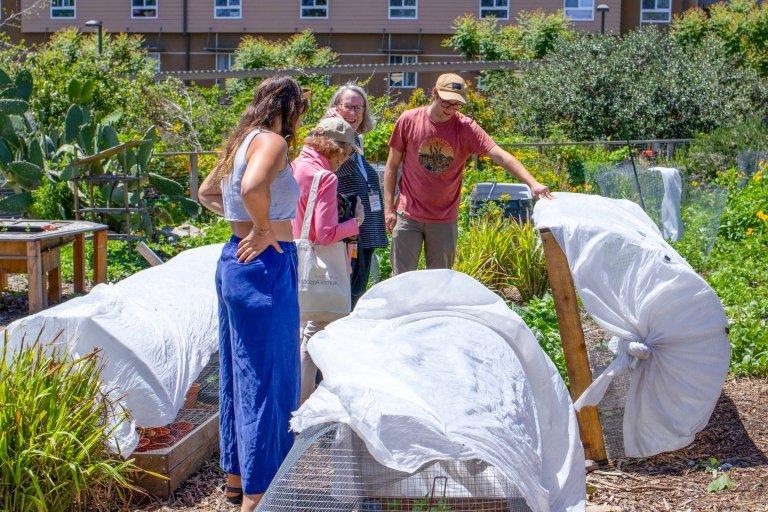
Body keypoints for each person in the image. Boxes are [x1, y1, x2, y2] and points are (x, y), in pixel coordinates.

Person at [198, 75, 309, 512]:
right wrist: (262, 229)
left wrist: (240, 225)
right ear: (291, 106)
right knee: (269, 378)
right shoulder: (273, 142)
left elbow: (208, 192)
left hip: (232, 261)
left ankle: (236, 477)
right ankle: (260, 495)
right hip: (265, 265)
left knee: (237, 372)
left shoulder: (241, 142)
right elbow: (251, 188)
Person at [383, 73, 553, 275]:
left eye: (457, 105)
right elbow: (392, 166)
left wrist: (532, 183)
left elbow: (500, 155)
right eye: (447, 103)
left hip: (444, 218)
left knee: (440, 280)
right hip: (408, 214)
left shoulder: (466, 127)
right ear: (434, 94)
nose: (451, 110)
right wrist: (389, 209)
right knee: (402, 280)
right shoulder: (409, 120)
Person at [292, 117, 364, 404]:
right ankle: (307, 408)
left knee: (301, 336)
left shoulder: (296, 166)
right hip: (321, 268)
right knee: (317, 339)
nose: (345, 160)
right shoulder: (326, 177)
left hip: (295, 262)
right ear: (337, 148)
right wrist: (355, 223)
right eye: (346, 153)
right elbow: (324, 234)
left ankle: (295, 402)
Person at [325, 83, 388, 307]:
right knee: (348, 292)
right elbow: (335, 170)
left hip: (365, 227)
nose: (353, 113)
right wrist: (332, 125)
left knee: (358, 290)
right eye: (348, 107)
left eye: (359, 108)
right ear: (336, 108)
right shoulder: (331, 139)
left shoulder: (356, 139)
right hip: (348, 229)